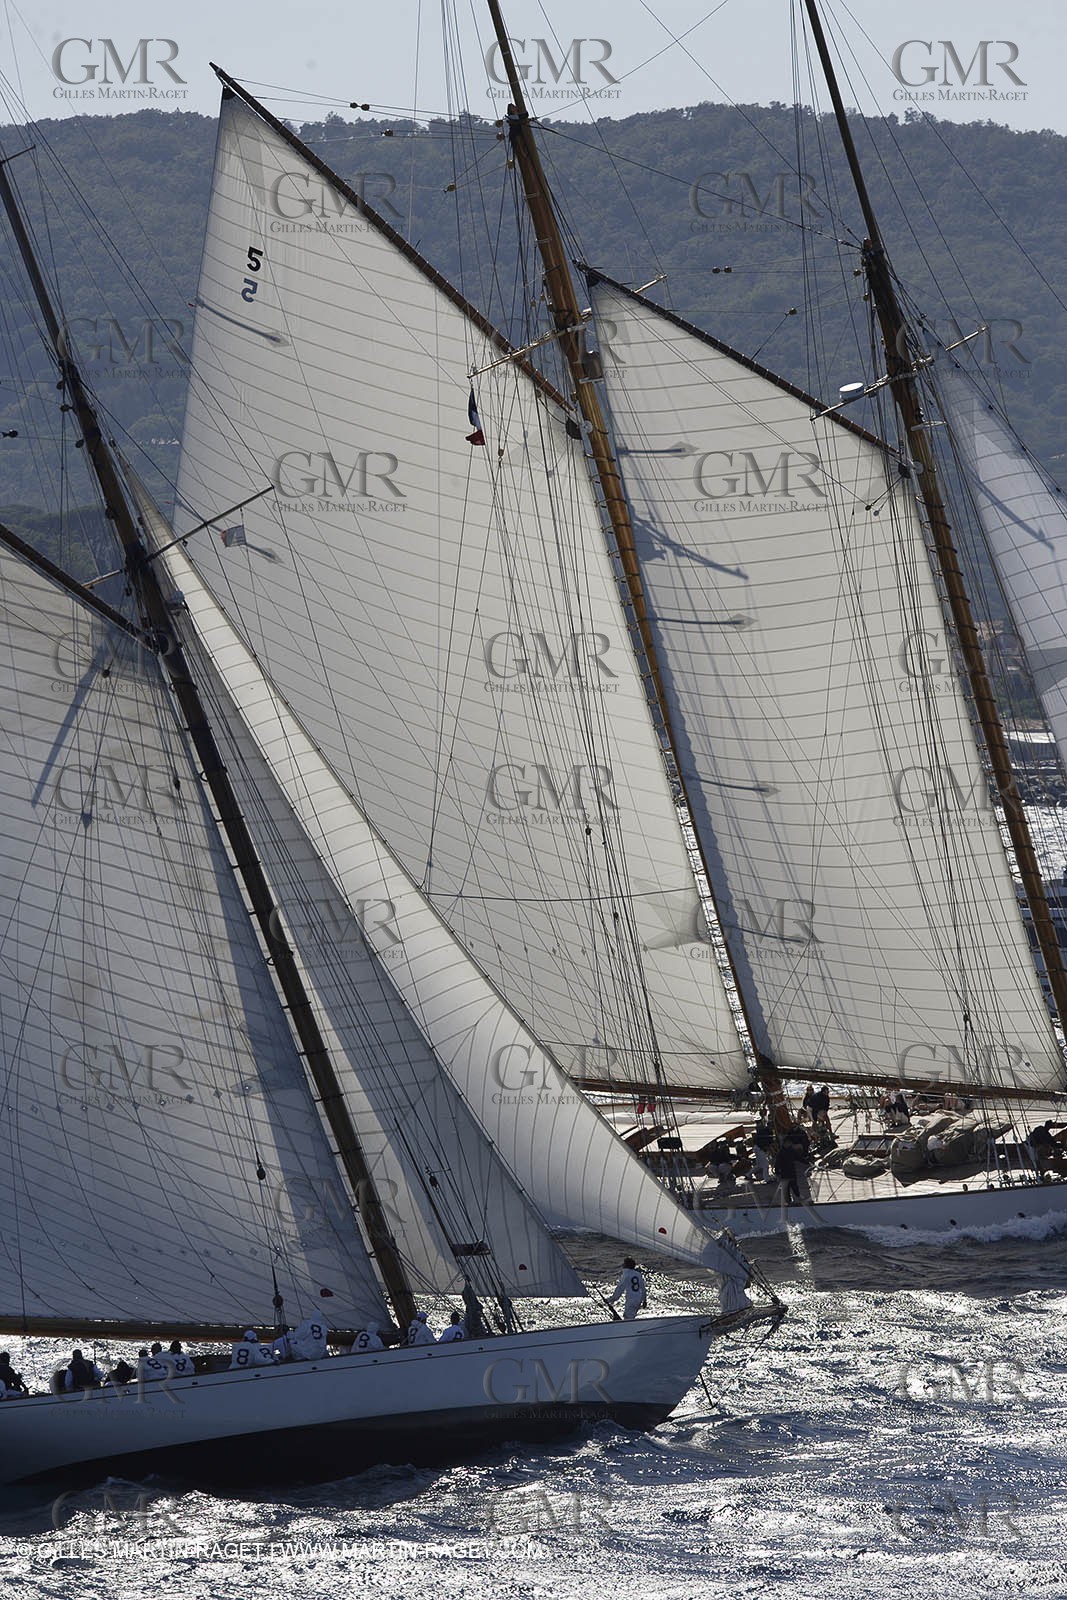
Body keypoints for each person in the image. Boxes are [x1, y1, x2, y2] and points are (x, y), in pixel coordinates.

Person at [608, 1257, 647, 1321]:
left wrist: (611, 1299)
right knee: (631, 1316)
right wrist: (644, 1300)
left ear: (626, 1265)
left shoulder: (626, 1275)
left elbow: (619, 1289)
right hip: (638, 1300)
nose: (622, 1265)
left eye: (624, 1263)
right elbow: (643, 1288)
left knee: (628, 1318)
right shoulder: (638, 1274)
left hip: (631, 1300)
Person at [752, 1115, 775, 1183]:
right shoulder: (764, 1131)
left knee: (759, 1165)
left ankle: (748, 1174)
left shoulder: (768, 1132)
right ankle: (767, 1179)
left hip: (759, 1148)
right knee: (765, 1165)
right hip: (759, 1149)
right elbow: (764, 1142)